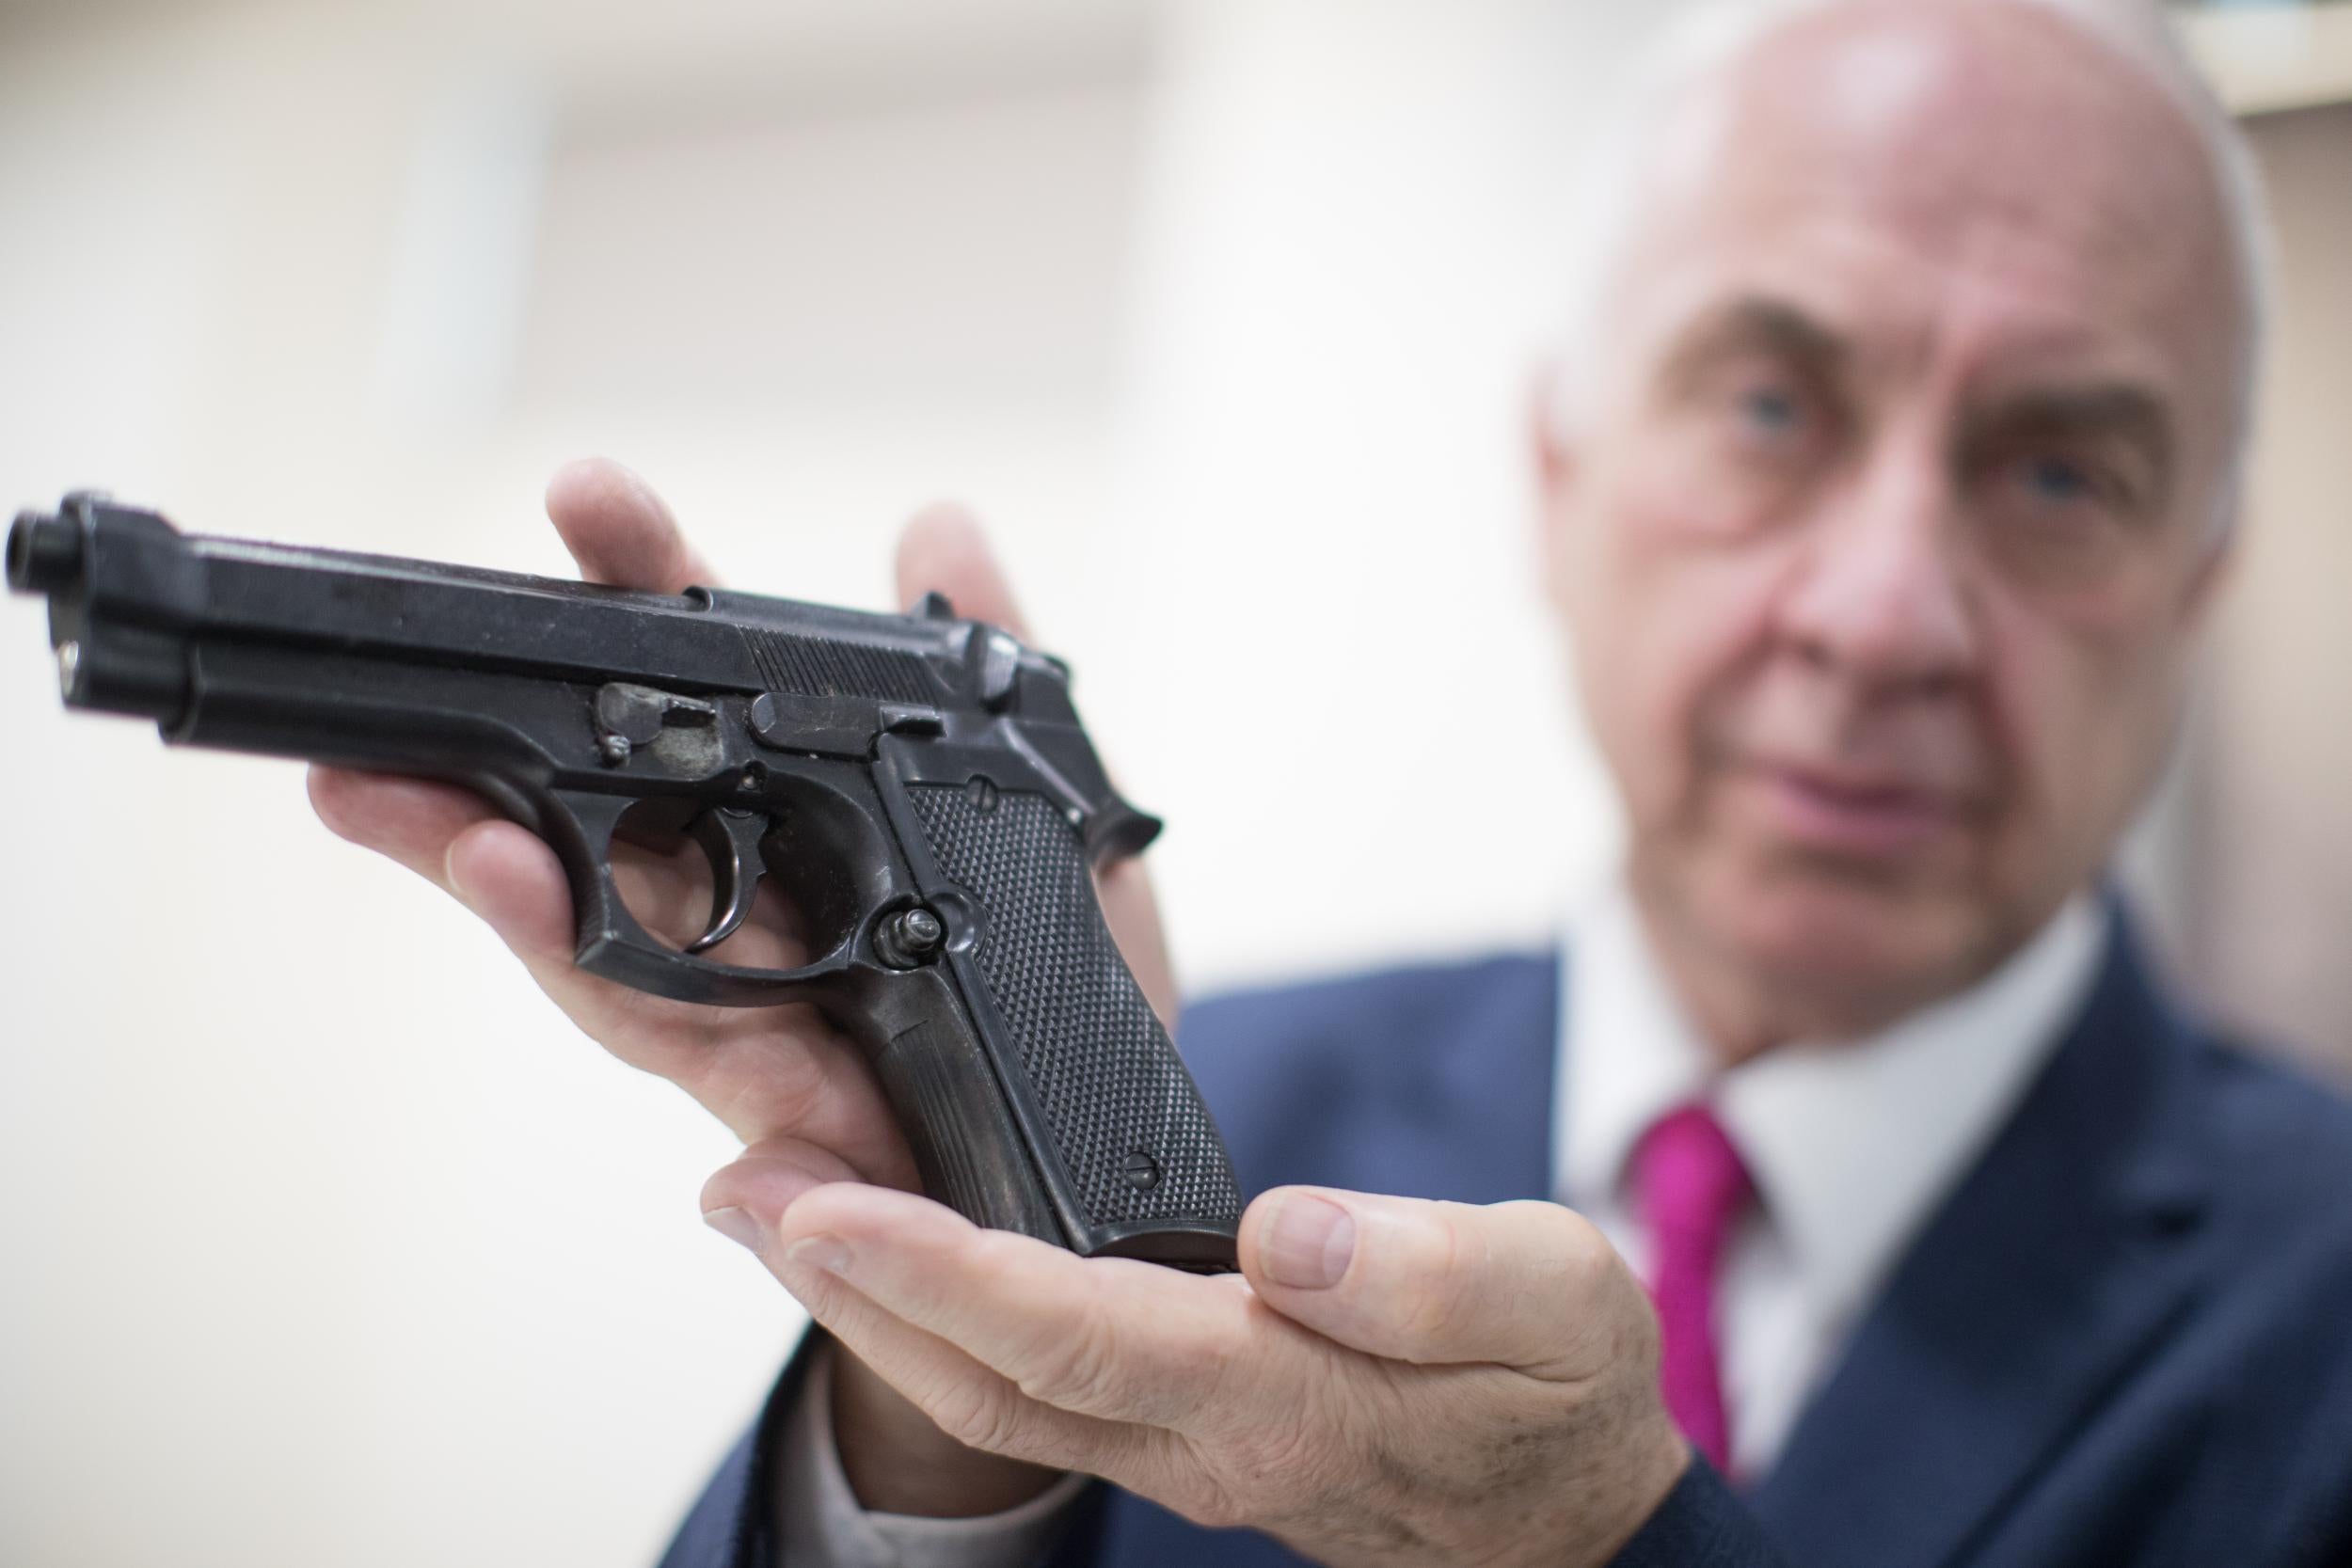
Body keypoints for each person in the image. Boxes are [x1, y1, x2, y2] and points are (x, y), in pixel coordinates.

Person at [311, 0, 2352, 1563]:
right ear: (1553, 482)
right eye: (1765, 404)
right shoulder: (1161, 1120)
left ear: (2195, 587)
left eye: (2060, 470)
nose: (1884, 611)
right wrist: (941, 1430)